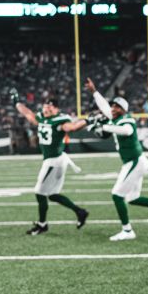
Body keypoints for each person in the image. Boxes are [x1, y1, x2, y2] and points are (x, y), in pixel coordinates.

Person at [85, 77, 148, 241]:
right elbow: (103, 106)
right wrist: (94, 91)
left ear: (123, 109)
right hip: (135, 160)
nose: (113, 108)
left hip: (134, 161)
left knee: (116, 194)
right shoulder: (115, 117)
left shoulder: (127, 119)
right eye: (113, 105)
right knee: (133, 198)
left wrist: (104, 127)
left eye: (117, 106)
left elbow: (127, 131)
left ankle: (128, 230)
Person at [14, 96, 89, 235]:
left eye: (50, 107)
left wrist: (88, 120)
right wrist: (17, 102)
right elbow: (28, 114)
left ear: (56, 109)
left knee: (39, 192)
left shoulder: (60, 120)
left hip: (54, 161)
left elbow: (72, 127)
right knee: (53, 195)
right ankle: (80, 212)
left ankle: (42, 224)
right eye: (45, 107)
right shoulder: (42, 117)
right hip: (56, 160)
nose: (46, 110)